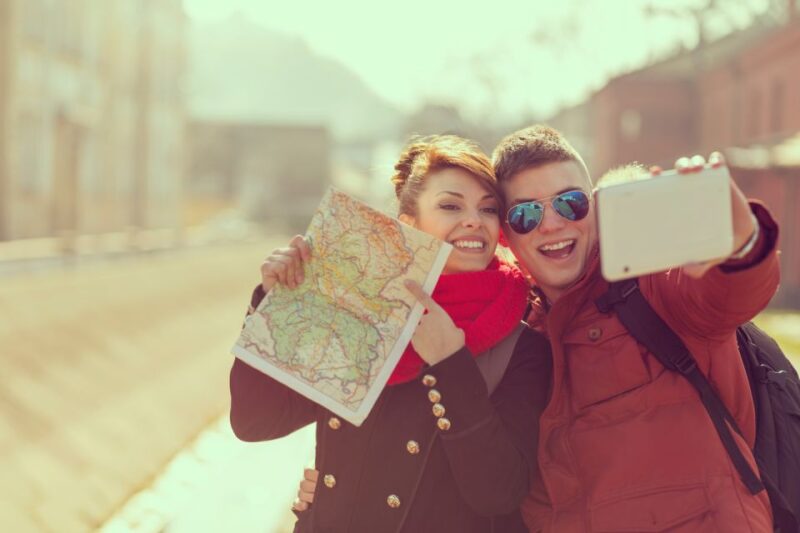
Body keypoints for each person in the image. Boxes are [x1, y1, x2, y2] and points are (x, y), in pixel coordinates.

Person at [229, 135, 552, 532]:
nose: (474, 220)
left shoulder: (522, 345)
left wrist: (451, 363)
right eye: (451, 205)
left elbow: (498, 492)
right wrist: (271, 304)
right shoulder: (359, 313)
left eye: (488, 209)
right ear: (408, 224)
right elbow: (256, 421)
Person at [487, 125, 779, 532]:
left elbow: (728, 293)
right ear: (505, 235)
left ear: (594, 207)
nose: (552, 224)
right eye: (526, 214)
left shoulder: (652, 283)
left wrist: (740, 244)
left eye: (570, 203)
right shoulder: (511, 342)